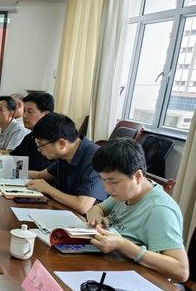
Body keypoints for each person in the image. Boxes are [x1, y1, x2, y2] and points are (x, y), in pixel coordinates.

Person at [86, 138, 189, 281]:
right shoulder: (126, 193)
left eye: (113, 181)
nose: (107, 188)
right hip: (113, 265)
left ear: (138, 176)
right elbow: (98, 208)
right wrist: (96, 217)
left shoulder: (159, 210)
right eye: (103, 180)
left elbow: (181, 271)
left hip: (140, 279)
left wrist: (123, 245)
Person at [26, 113, 107, 214]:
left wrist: (48, 189)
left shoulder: (94, 158)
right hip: (66, 212)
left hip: (90, 219)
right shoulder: (65, 155)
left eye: (40, 144)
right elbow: (40, 175)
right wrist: (12, 172)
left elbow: (82, 206)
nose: (39, 149)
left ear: (61, 143)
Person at [4, 92, 54, 171]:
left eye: (29, 112)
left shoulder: (52, 139)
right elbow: (14, 157)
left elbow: (41, 171)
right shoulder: (30, 136)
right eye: (24, 111)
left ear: (45, 115)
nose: (24, 116)